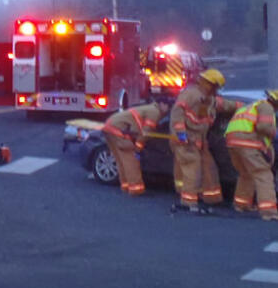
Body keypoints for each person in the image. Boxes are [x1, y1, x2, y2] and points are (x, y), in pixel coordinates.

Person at [169, 68, 244, 214]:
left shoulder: (208, 99)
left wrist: (243, 107)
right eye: (215, 86)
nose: (217, 90)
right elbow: (177, 113)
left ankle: (212, 199)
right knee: (193, 170)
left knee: (209, 168)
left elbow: (224, 105)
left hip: (199, 141)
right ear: (210, 83)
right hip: (186, 141)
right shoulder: (191, 95)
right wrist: (181, 134)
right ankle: (188, 202)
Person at [100, 95, 172, 196]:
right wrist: (138, 147)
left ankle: (126, 185)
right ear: (162, 104)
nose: (168, 109)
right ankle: (136, 189)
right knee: (131, 160)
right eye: (168, 106)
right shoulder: (154, 112)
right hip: (120, 130)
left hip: (110, 127)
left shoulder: (149, 108)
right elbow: (146, 132)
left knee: (121, 159)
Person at [225, 89, 278, 220]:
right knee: (263, 174)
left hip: (232, 142)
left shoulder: (251, 106)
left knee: (246, 174)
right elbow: (263, 127)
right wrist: (276, 134)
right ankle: (269, 211)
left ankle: (241, 204)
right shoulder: (267, 107)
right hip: (248, 142)